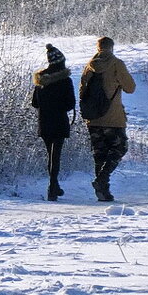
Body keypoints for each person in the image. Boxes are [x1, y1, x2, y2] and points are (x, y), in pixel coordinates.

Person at [80, 36, 136, 201]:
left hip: (93, 119)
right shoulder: (116, 63)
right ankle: (102, 180)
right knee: (120, 148)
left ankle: (103, 192)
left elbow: (82, 92)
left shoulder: (89, 66)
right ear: (111, 47)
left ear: (98, 48)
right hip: (113, 118)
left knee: (100, 154)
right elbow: (130, 88)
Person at [31, 44, 76, 201]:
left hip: (44, 123)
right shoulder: (65, 81)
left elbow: (34, 103)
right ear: (61, 62)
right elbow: (70, 104)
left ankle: (54, 186)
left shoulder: (41, 81)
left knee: (50, 155)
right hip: (59, 123)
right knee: (55, 156)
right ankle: (52, 187)